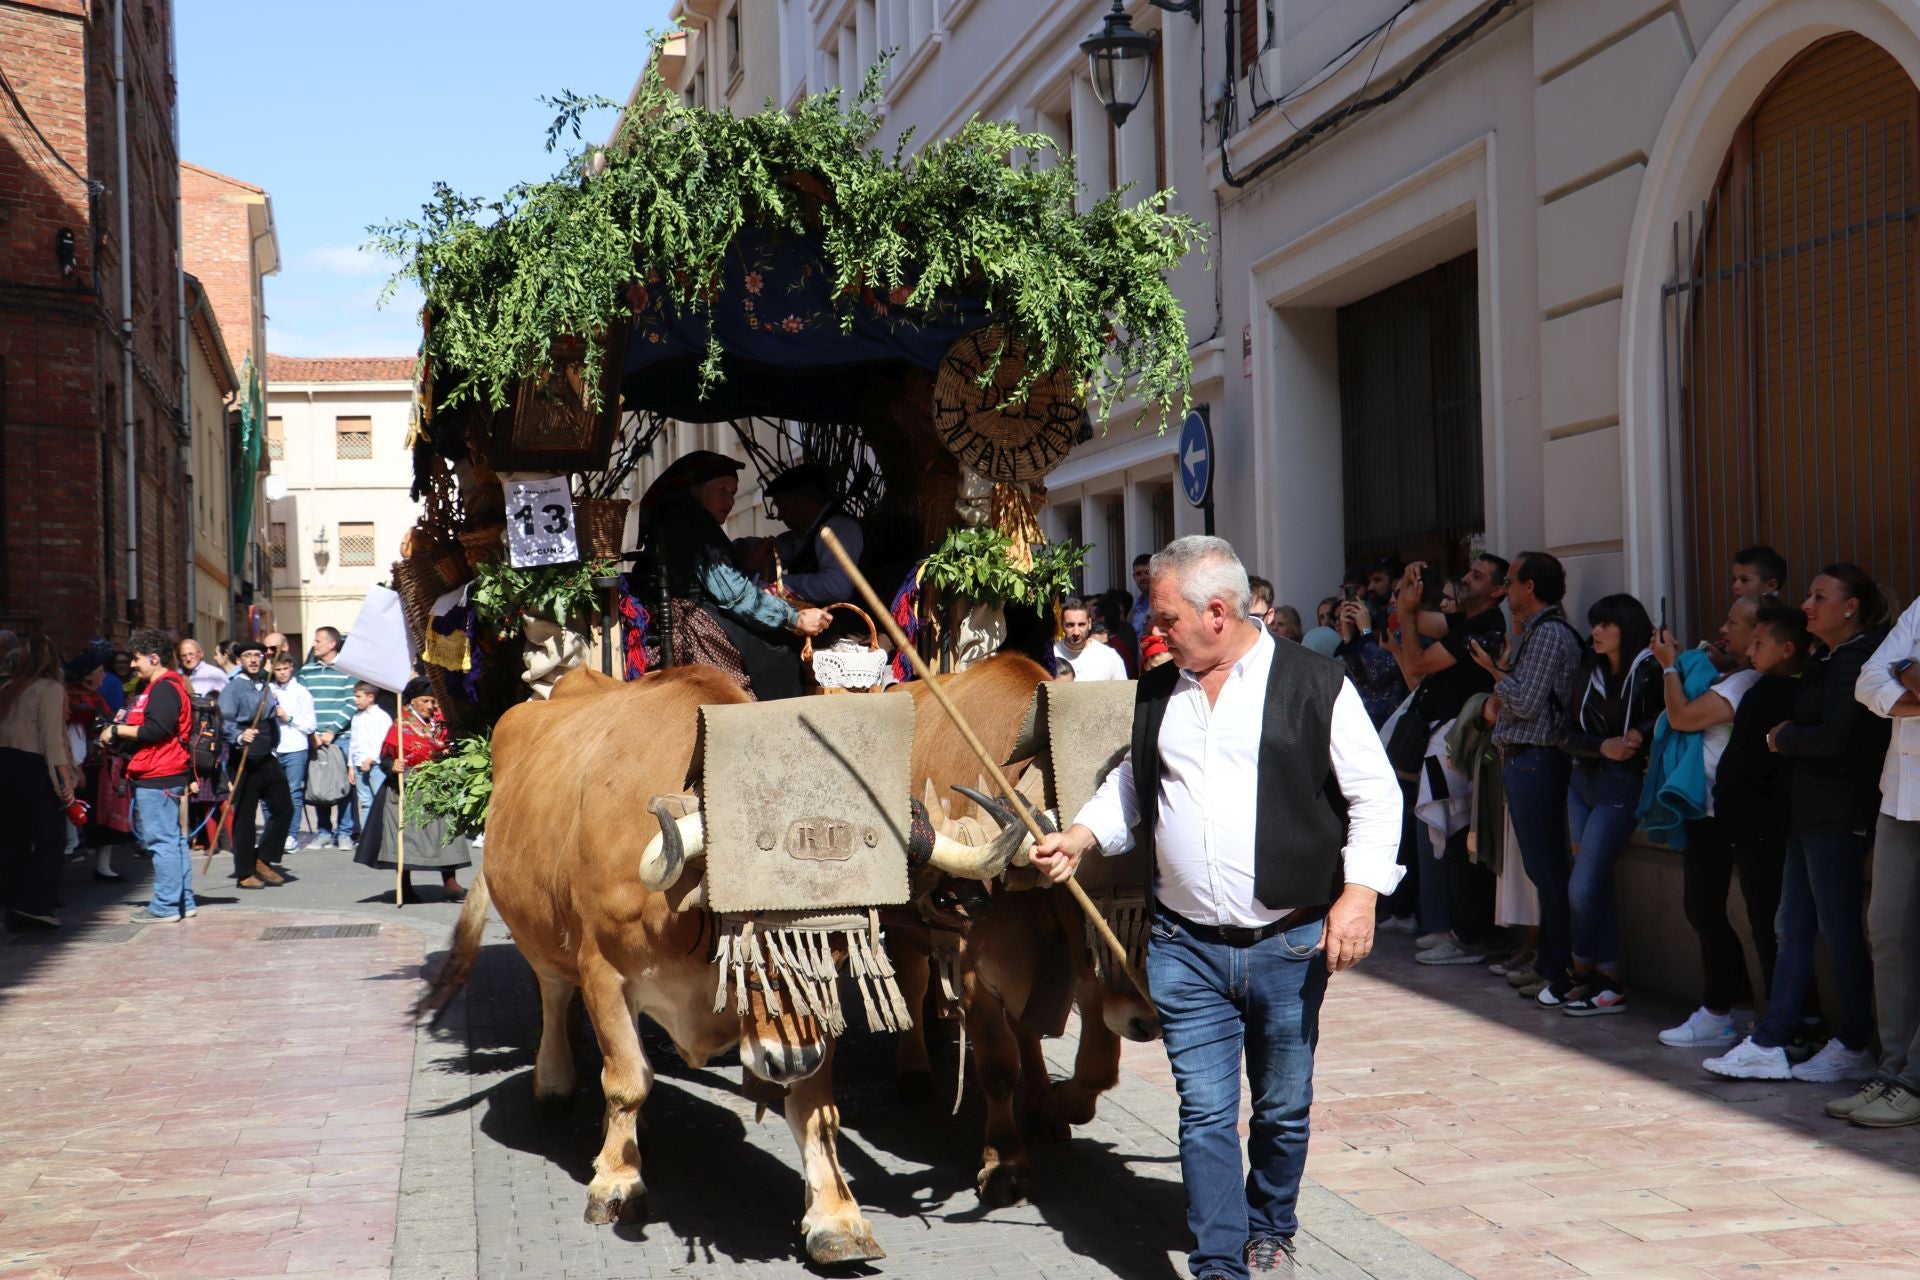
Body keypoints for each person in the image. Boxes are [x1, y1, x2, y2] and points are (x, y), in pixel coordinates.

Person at [1031, 535, 1402, 1280]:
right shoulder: (1157, 690)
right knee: (1203, 1112)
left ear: (1219, 612)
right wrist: (1079, 834)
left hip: (1289, 943)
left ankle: (1271, 1224)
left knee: (1281, 1107)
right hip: (1183, 945)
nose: (1152, 629)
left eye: (1165, 617)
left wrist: (1359, 894)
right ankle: (1220, 1261)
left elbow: (1375, 793)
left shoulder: (1315, 683)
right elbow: (1134, 787)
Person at [1706, 565, 1892, 1083]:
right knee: (1791, 928)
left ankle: (1854, 1041)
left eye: (1819, 596)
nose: (1806, 604)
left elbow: (1839, 739)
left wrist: (1783, 737)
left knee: (1839, 933)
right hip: (1805, 817)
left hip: (1837, 817)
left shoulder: (1856, 660)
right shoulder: (1826, 660)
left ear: (1850, 606)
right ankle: (1771, 1039)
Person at [1650, 596, 1789, 1048]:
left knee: (1709, 908)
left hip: (1722, 811)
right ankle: (1736, 1004)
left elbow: (1682, 716)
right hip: (1710, 807)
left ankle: (1721, 1010)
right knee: (1705, 907)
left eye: (1735, 623)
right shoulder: (1734, 677)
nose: (1723, 630)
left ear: (1760, 635)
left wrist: (1671, 667)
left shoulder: (1747, 681)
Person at [1471, 551, 1583, 998]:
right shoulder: (1537, 632)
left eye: (1511, 581)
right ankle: (1551, 960)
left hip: (1537, 759)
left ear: (1530, 587)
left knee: (1548, 869)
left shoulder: (1550, 634)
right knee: (1543, 868)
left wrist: (1493, 670)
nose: (1506, 590)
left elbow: (1526, 702)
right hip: (1525, 759)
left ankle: (1558, 966)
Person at [634, 450, 829, 700]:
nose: (730, 500)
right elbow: (734, 596)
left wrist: (747, 567)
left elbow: (716, 581)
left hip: (689, 612)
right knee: (780, 653)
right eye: (722, 490)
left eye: (733, 493)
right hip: (693, 625)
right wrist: (794, 618)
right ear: (696, 489)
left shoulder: (680, 518)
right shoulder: (692, 522)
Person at [1549, 594, 1660, 1015]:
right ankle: (1607, 977)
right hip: (1582, 781)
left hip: (1621, 787)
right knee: (1594, 882)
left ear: (1627, 628)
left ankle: (1580, 970)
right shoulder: (1587, 671)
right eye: (1594, 624)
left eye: (1606, 624)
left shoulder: (1647, 670)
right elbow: (1564, 734)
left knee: (1583, 885)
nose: (1595, 632)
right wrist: (1603, 745)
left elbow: (1667, 714)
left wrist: (1639, 735)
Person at [1850, 592, 1920, 1127]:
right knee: (1888, 932)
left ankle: (1914, 1081)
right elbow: (1868, 680)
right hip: (1900, 796)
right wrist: (1908, 679)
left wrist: (1908, 672)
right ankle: (1893, 1070)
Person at [99, 630, 197, 923]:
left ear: (154, 658)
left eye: (136, 658)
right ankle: (183, 901)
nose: (132, 665)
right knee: (173, 841)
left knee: (162, 841)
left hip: (159, 772)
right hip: (165, 770)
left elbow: (157, 729)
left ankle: (166, 905)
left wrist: (116, 730)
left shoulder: (164, 688)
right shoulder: (164, 685)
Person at [354, 678, 471, 904]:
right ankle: (404, 885)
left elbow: (452, 746)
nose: (430, 706)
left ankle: (450, 882)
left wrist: (450, 753)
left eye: (433, 701)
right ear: (413, 702)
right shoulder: (400, 726)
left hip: (437, 785)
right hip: (406, 786)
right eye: (425, 701)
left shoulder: (439, 724)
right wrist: (392, 765)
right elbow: (385, 758)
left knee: (446, 830)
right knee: (404, 835)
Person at [0, 636, 79, 931]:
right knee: (52, 838)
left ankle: (14, 904)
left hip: (5, 765)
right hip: (32, 767)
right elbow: (52, 741)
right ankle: (35, 904)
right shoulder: (50, 689)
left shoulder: (8, 687)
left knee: (13, 840)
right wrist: (64, 782)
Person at [217, 640, 291, 889]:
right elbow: (225, 722)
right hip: (244, 757)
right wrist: (240, 736)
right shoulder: (233, 689)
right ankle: (244, 871)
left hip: (267, 755)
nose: (253, 659)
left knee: (285, 808)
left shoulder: (266, 684)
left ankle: (264, 857)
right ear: (239, 660)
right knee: (245, 817)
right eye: (247, 655)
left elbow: (270, 719)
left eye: (257, 655)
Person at [741, 463, 864, 605]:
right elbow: (780, 547)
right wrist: (743, 547)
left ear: (805, 502)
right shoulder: (807, 532)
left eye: (783, 508)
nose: (779, 516)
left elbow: (838, 587)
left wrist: (777, 583)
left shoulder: (840, 529)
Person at [62, 651, 121, 878]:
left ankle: (103, 866)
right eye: (100, 672)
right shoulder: (72, 699)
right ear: (87, 676)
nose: (104, 677)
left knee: (102, 816)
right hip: (78, 765)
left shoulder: (94, 697)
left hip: (98, 763)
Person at [298, 626, 358, 849]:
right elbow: (301, 702)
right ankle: (324, 832)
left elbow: (350, 702)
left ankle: (344, 833)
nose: (314, 644)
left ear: (332, 644)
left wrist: (332, 731)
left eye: (318, 640)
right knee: (318, 785)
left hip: (340, 737)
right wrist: (312, 732)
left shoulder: (347, 670)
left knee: (342, 785)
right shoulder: (306, 671)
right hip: (314, 737)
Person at [269, 653, 316, 854]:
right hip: (274, 748)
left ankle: (291, 835)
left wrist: (289, 718)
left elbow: (310, 725)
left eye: (284, 669)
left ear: (291, 668)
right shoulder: (269, 690)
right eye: (277, 670)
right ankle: (273, 834)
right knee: (271, 794)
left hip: (295, 747)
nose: (281, 673)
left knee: (293, 792)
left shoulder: (301, 692)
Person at [348, 681, 393, 847]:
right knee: (365, 802)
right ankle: (369, 838)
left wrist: (371, 758)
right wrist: (351, 766)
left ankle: (384, 837)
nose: (355, 700)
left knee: (379, 802)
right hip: (359, 765)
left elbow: (384, 741)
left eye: (359, 696)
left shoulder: (381, 717)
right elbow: (353, 742)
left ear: (371, 697)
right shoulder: (357, 717)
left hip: (375, 766)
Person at [1054, 596, 1129, 681]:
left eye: (1081, 624)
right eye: (1070, 625)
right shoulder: (1052, 655)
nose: (1076, 632)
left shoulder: (1109, 656)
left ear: (1089, 623)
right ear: (1061, 625)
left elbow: (1122, 692)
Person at [1129, 553, 1153, 640]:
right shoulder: (1135, 607)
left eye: (1147, 572)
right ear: (1134, 577)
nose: (1143, 577)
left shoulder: (1162, 603)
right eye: (1138, 574)